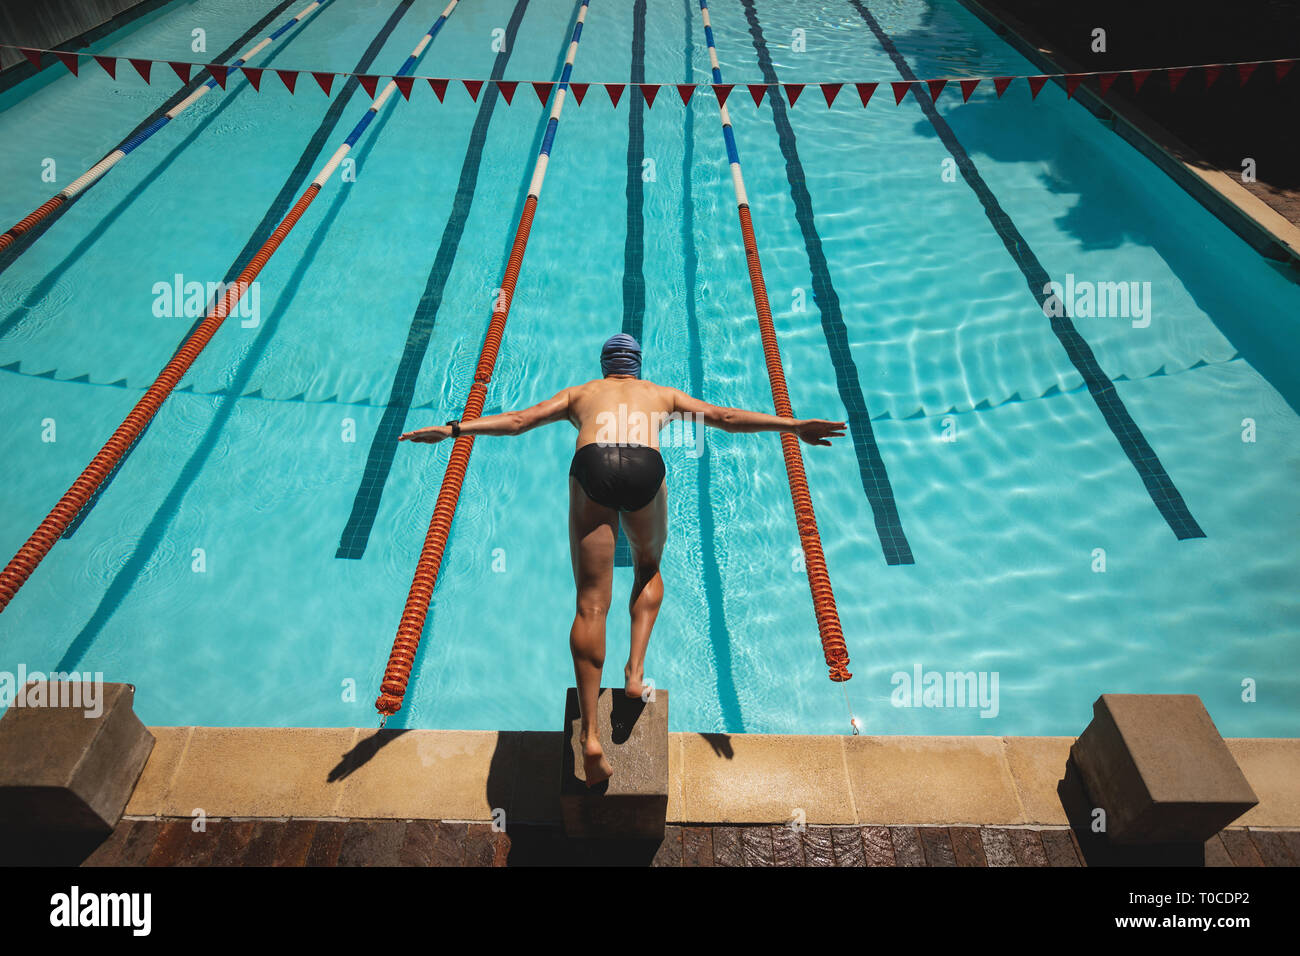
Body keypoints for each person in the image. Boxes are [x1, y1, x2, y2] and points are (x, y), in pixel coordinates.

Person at [399, 333, 845, 786]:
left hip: (592, 463)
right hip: (644, 467)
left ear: (604, 365)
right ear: (637, 366)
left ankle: (590, 738)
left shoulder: (581, 394)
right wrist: (792, 427)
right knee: (648, 568)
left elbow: (517, 421)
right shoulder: (660, 394)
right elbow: (726, 418)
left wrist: (454, 429)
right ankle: (635, 674)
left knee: (591, 603)